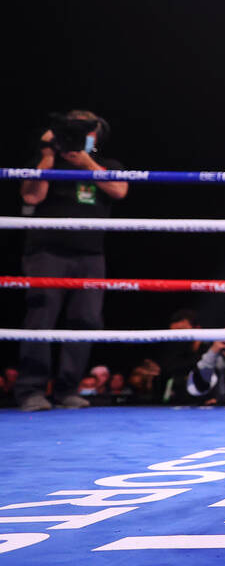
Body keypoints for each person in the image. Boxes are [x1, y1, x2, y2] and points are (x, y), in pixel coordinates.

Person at [16, 110, 128, 411]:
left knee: (86, 320)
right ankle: (31, 390)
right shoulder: (47, 162)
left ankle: (67, 389)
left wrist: (87, 163)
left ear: (96, 133)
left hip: (90, 256)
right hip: (46, 253)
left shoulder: (108, 165)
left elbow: (119, 190)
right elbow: (32, 197)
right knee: (41, 318)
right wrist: (47, 154)